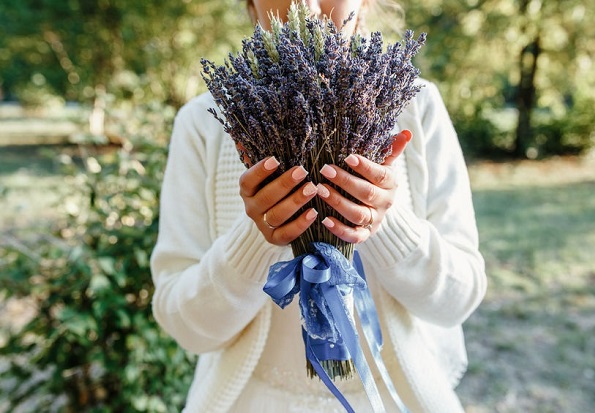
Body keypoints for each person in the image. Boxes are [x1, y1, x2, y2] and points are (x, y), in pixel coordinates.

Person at [150, 0, 487, 411]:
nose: (305, 2)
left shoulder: (416, 107)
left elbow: (460, 297)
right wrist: (258, 237)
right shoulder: (202, 123)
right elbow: (185, 326)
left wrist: (380, 215)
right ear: (252, 3)